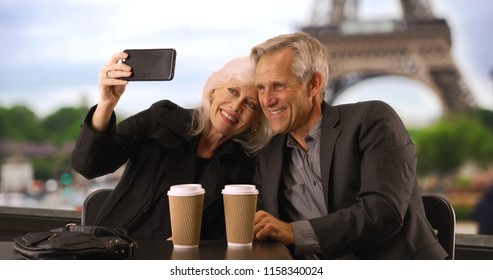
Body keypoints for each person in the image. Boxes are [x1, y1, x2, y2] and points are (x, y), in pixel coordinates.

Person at [250, 32, 448, 259]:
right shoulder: (268, 155)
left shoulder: (372, 119)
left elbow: (382, 211)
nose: (266, 100)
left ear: (314, 84)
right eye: (261, 88)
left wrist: (293, 232)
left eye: (278, 86)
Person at [71, 52, 272, 240]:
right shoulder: (162, 118)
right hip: (114, 250)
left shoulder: (248, 166)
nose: (236, 106)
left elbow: (240, 231)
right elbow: (88, 166)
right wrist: (106, 104)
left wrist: (202, 244)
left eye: (250, 104)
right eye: (232, 91)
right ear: (213, 91)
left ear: (257, 122)